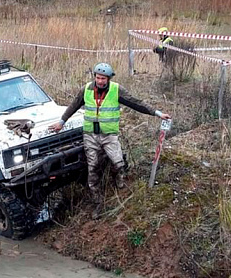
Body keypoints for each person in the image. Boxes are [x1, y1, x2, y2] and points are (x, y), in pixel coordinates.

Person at [49, 63, 171, 217]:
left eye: (103, 78)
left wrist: (157, 113)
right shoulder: (86, 89)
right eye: (98, 78)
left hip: (109, 135)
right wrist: (61, 122)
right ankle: (98, 204)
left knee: (118, 163)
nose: (100, 81)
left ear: (109, 78)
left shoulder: (116, 90)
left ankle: (118, 178)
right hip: (90, 135)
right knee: (93, 169)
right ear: (94, 77)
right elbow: (73, 106)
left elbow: (136, 103)